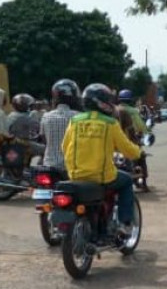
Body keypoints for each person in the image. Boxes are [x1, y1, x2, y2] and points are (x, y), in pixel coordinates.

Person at [61, 83, 142, 238]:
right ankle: (125, 223)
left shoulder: (75, 121)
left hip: (76, 175)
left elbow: (64, 146)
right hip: (102, 177)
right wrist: (138, 152)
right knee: (126, 181)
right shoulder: (110, 123)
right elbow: (128, 149)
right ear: (102, 103)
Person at [40, 79, 80, 171]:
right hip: (71, 166)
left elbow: (44, 140)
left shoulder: (46, 116)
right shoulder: (79, 117)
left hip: (49, 164)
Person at [8, 92, 45, 161]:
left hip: (13, 143)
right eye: (28, 105)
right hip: (24, 144)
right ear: (23, 106)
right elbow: (39, 128)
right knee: (45, 148)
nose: (30, 107)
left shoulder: (10, 116)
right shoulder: (27, 118)